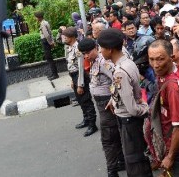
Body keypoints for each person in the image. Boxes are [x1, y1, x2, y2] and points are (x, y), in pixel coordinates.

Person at [98, 28, 153, 177]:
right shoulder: (126, 62)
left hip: (129, 120)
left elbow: (132, 108)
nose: (100, 52)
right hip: (127, 118)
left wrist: (145, 110)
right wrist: (113, 101)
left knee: (134, 161)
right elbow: (121, 91)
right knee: (137, 157)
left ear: (109, 50)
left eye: (101, 48)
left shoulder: (120, 71)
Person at [147, 40, 179, 176]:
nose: (155, 65)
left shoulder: (173, 87)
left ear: (171, 57)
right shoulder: (164, 73)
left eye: (160, 59)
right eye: (152, 59)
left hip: (177, 149)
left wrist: (170, 157)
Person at [78, 38, 124, 177]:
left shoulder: (104, 62)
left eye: (88, 52)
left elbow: (117, 80)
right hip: (101, 103)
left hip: (107, 104)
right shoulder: (94, 62)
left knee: (108, 138)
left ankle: (112, 171)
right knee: (114, 135)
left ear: (95, 48)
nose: (86, 56)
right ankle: (120, 161)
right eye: (83, 54)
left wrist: (112, 99)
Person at [62, 27, 97, 136]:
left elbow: (81, 67)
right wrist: (73, 81)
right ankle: (86, 119)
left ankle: (92, 124)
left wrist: (80, 84)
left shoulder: (78, 48)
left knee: (86, 100)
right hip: (74, 76)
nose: (63, 38)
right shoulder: (69, 47)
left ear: (72, 37)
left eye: (66, 37)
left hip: (80, 76)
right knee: (80, 100)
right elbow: (70, 65)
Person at [34, 11, 59, 80]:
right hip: (47, 41)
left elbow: (47, 35)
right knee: (49, 58)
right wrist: (52, 42)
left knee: (49, 58)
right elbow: (50, 33)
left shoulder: (42, 24)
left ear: (38, 17)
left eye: (36, 17)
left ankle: (55, 74)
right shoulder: (45, 22)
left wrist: (51, 43)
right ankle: (53, 73)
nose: (35, 18)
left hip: (45, 41)